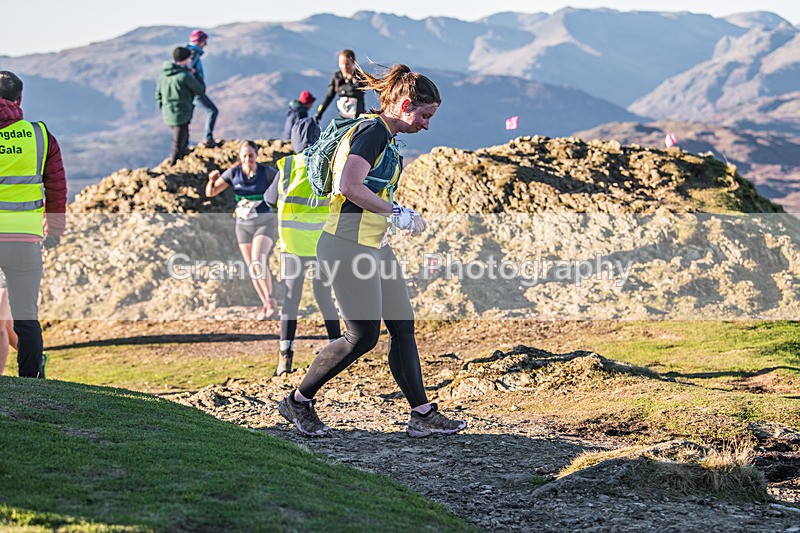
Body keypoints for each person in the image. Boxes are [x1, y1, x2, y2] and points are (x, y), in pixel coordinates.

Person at [278, 64, 467, 438]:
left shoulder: (385, 135)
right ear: (405, 105)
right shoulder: (372, 132)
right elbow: (349, 186)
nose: (427, 125)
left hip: (374, 247)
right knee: (362, 338)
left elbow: (368, 190)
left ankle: (422, 414)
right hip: (346, 247)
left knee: (403, 326)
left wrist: (392, 218)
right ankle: (298, 402)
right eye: (425, 116)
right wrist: (396, 212)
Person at [0, 70, 66, 379]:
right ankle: (31, 384)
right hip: (25, 240)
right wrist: (55, 230)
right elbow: (56, 188)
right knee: (26, 316)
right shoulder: (40, 135)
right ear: (19, 99)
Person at [274, 117, 341, 375]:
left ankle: (285, 357)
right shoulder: (329, 165)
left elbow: (269, 199)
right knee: (324, 296)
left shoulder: (288, 166)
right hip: (322, 243)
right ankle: (336, 349)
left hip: (293, 244)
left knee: (291, 299)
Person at [206, 141, 280, 320]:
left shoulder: (267, 172)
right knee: (252, 267)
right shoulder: (234, 173)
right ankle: (266, 304)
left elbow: (283, 185)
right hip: (243, 225)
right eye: (244, 156)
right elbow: (211, 193)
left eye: (251, 155)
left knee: (258, 259)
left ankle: (271, 300)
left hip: (264, 222)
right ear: (240, 157)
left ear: (257, 155)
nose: (248, 159)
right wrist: (211, 180)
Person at [156, 47, 205, 166]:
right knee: (178, 145)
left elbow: (158, 95)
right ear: (185, 60)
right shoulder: (184, 76)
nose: (190, 60)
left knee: (184, 139)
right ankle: (173, 167)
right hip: (181, 114)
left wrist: (164, 108)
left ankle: (182, 164)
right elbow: (200, 89)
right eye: (189, 58)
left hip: (168, 113)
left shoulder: (163, 76)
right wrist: (196, 74)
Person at [187, 30, 221, 148]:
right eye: (204, 41)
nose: (205, 44)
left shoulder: (191, 52)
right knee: (212, 111)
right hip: (195, 91)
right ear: (199, 41)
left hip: (191, 91)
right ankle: (208, 138)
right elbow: (188, 70)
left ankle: (185, 144)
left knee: (187, 118)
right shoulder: (193, 54)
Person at [315, 49, 367, 123]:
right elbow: (329, 96)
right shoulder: (337, 77)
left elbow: (375, 87)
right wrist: (319, 113)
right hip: (343, 117)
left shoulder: (360, 76)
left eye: (347, 64)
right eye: (341, 64)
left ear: (353, 62)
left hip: (358, 118)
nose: (344, 67)